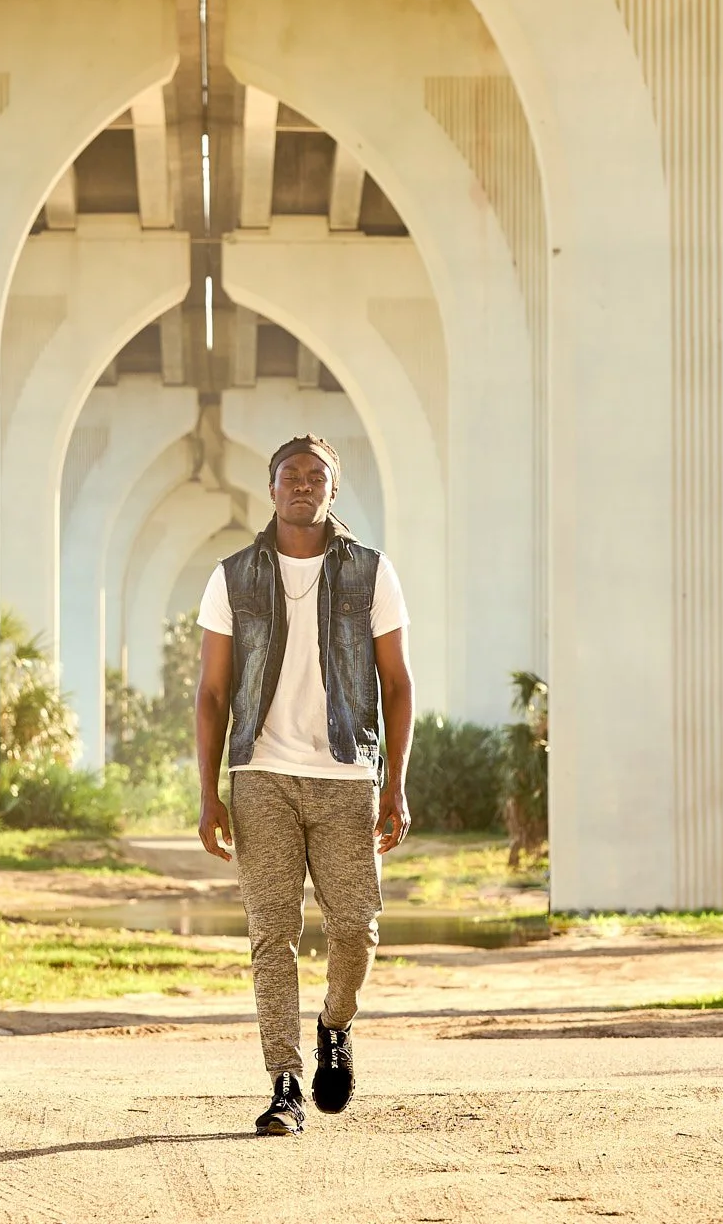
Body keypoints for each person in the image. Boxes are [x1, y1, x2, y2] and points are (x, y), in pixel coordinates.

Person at [194, 433, 414, 1136]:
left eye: (315, 475)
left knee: (356, 928)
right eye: (290, 474)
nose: (301, 484)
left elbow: (399, 684)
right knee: (272, 934)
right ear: (271, 488)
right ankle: (284, 1083)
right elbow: (211, 693)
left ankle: (335, 1023)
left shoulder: (372, 573)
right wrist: (209, 793)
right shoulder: (230, 577)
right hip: (260, 776)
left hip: (347, 773)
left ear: (333, 489)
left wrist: (395, 783)